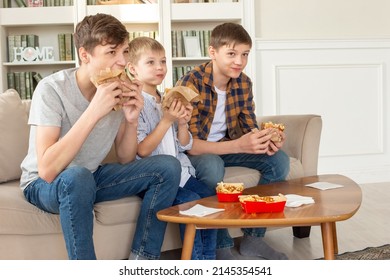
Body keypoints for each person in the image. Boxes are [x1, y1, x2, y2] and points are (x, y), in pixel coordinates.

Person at [19, 13, 181, 260]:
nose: (122, 62)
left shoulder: (120, 87)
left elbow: (126, 158)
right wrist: (94, 110)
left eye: (125, 52)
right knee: (77, 175)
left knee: (168, 166)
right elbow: (47, 170)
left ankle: (144, 259)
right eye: (112, 52)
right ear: (85, 55)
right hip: (44, 185)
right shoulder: (52, 89)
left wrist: (131, 119)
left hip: (90, 176)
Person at [176, 22, 290, 260]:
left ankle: (253, 239)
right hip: (198, 152)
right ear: (212, 52)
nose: (239, 61)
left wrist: (266, 139)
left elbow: (249, 126)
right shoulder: (191, 83)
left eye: (244, 54)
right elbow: (188, 144)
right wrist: (238, 145)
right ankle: (222, 246)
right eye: (231, 54)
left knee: (278, 160)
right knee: (211, 165)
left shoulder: (243, 83)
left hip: (228, 148)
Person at [127, 36, 217, 260]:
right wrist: (167, 120)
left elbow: (184, 144)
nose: (160, 67)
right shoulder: (136, 102)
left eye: (163, 61)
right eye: (151, 62)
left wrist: (183, 123)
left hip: (183, 174)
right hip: (156, 179)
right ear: (132, 69)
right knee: (191, 204)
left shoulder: (168, 98)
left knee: (212, 202)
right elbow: (142, 150)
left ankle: (209, 261)